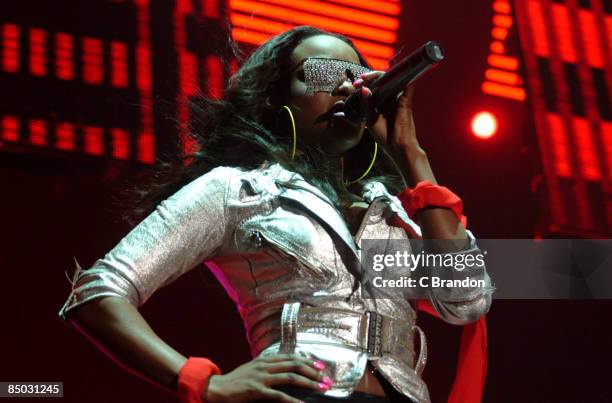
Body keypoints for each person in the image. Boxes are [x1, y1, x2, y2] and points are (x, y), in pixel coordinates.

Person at [58, 26, 494, 403]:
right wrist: (201, 382)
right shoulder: (237, 188)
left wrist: (411, 154)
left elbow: (466, 301)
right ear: (276, 98)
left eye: (357, 77)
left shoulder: (399, 213)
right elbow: (97, 291)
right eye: (323, 74)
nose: (346, 87)